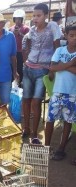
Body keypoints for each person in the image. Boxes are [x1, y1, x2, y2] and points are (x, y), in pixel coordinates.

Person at [22, 3, 61, 144]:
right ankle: (26, 129)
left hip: (42, 70)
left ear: (46, 16)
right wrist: (25, 58)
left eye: (38, 15)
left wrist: (52, 68)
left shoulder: (53, 27)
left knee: (36, 101)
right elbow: (27, 44)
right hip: (28, 69)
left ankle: (34, 133)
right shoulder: (31, 30)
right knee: (25, 99)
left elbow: (57, 48)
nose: (35, 18)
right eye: (33, 15)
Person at [45, 25, 76, 161]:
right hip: (57, 92)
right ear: (66, 36)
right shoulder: (59, 50)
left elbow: (56, 67)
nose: (74, 39)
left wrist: (61, 66)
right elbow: (51, 67)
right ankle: (46, 146)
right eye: (71, 36)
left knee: (68, 121)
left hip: (72, 93)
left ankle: (61, 148)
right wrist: (71, 63)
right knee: (50, 119)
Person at [9, 9, 29, 84]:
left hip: (21, 52)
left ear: (22, 19)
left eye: (19, 19)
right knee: (12, 68)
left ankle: (19, 84)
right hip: (12, 52)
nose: (17, 20)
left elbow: (28, 40)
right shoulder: (11, 29)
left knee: (20, 69)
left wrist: (19, 34)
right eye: (16, 19)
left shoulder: (26, 28)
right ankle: (12, 83)